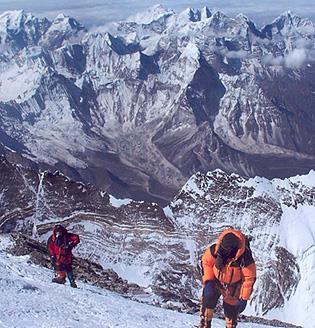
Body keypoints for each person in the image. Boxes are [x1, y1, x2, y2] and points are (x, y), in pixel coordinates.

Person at [199, 228, 256, 328]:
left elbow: (249, 278)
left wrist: (243, 297)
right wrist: (208, 280)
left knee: (231, 310)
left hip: (234, 285)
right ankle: (204, 324)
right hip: (216, 280)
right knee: (208, 300)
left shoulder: (244, 257)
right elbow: (206, 262)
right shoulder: (215, 250)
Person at [47, 224, 80, 288]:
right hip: (60, 256)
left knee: (65, 267)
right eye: (57, 231)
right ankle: (68, 281)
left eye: (59, 231)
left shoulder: (63, 236)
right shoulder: (54, 238)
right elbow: (50, 247)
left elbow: (76, 238)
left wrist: (71, 245)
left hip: (64, 256)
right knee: (64, 268)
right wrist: (52, 255)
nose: (58, 233)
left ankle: (63, 279)